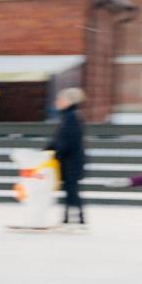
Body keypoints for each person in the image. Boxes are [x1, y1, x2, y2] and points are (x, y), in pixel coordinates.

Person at [48, 87, 87, 229]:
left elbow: (67, 140)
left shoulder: (71, 117)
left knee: (72, 189)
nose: (56, 102)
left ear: (67, 101)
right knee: (70, 189)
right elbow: (59, 139)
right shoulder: (68, 116)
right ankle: (70, 218)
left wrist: (56, 151)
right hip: (69, 159)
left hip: (71, 160)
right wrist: (49, 149)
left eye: (59, 100)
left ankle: (78, 219)